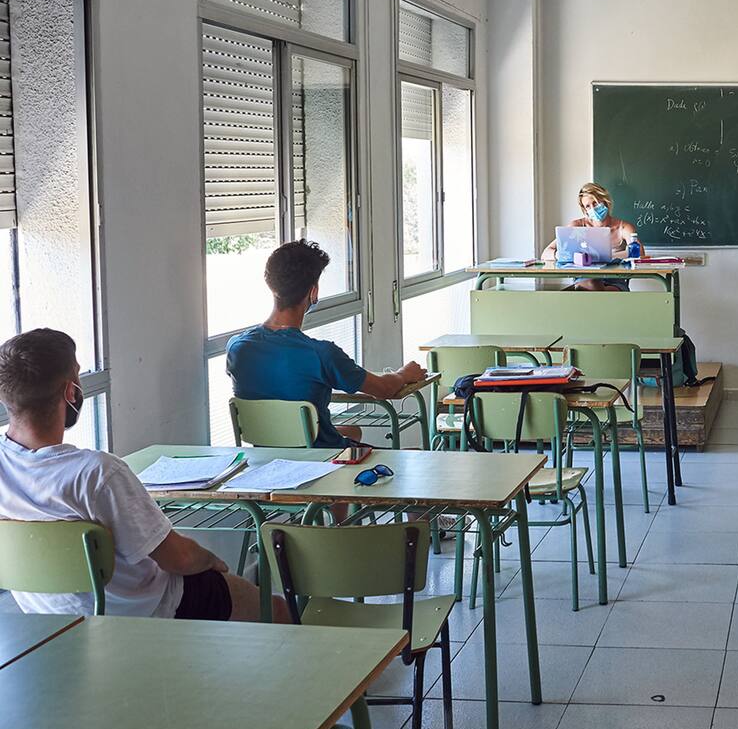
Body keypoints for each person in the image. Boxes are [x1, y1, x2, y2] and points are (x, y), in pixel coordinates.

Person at [0, 329, 287, 621]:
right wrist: (211, 559)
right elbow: (179, 558)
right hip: (151, 609)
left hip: (54, 621)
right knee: (274, 609)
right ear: (70, 391)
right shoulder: (98, 474)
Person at [226, 240, 427, 448]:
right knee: (413, 456)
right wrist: (403, 374)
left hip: (269, 462)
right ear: (313, 292)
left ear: (271, 284)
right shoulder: (322, 354)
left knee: (353, 431)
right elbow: (384, 389)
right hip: (323, 462)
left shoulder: (237, 348)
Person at [540, 182, 644, 291]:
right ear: (584, 209)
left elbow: (640, 253)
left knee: (599, 291)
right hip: (585, 279)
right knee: (592, 284)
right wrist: (565, 255)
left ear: (605, 201)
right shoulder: (576, 227)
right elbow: (545, 253)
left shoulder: (623, 227)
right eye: (588, 206)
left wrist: (608, 256)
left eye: (595, 203)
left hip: (614, 280)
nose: (593, 209)